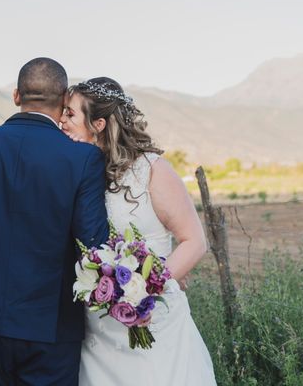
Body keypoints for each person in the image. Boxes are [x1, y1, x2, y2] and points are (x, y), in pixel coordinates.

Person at [0, 58, 111, 386]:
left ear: (16, 95)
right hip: (50, 324)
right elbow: (94, 244)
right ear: (63, 101)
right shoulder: (83, 159)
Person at [60, 77, 216, 385]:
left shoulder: (152, 169)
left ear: (99, 123)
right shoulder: (78, 171)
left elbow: (194, 241)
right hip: (98, 326)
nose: (61, 121)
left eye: (70, 113)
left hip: (152, 317)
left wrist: (148, 290)